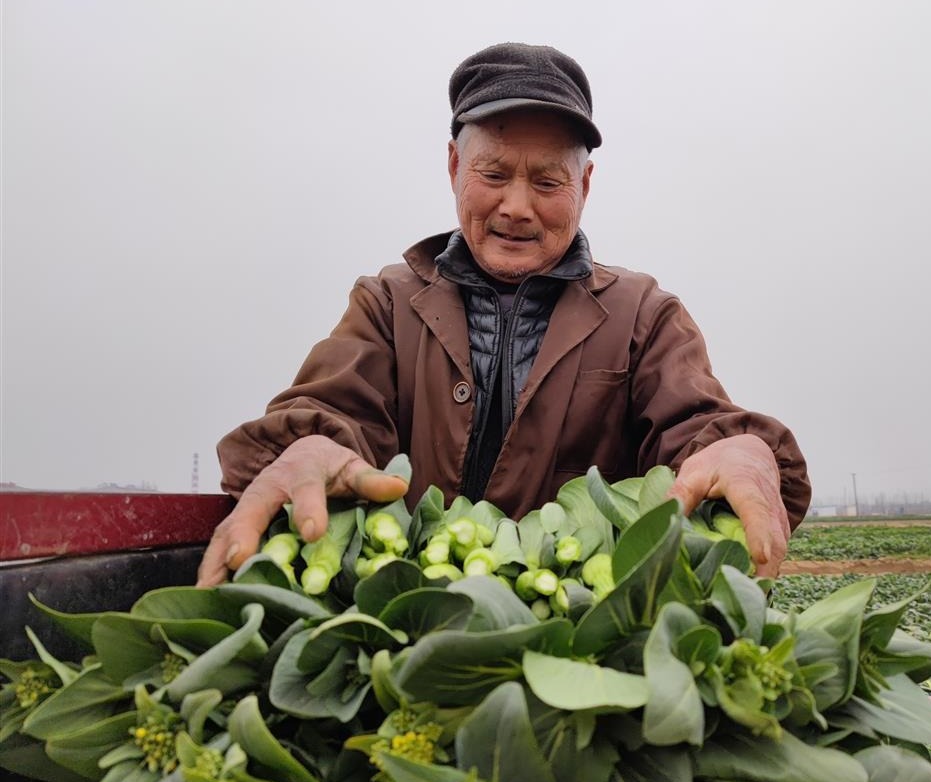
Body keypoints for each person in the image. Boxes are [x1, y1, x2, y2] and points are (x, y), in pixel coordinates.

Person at [196, 42, 811, 587]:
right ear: (455, 168)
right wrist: (308, 446)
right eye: (493, 173)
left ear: (585, 186)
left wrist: (741, 449)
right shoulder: (387, 303)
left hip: (581, 629)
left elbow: (695, 426)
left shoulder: (644, 316)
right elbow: (336, 410)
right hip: (412, 625)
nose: (517, 207)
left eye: (548, 183)